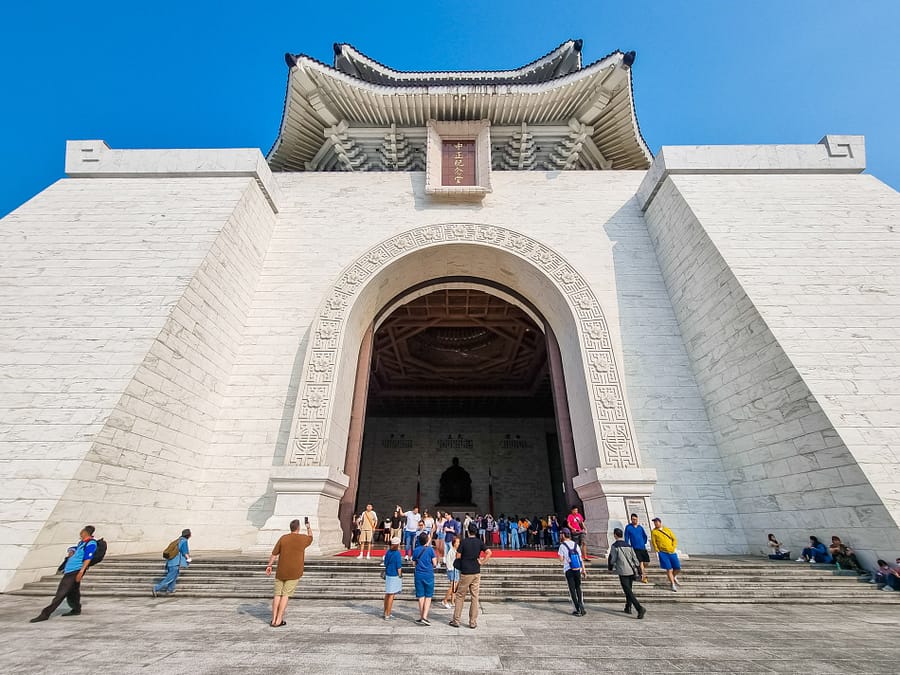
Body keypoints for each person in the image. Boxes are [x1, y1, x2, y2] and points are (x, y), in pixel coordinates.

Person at [30, 525, 98, 622]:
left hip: (75, 571)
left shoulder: (91, 543)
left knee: (61, 593)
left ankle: (45, 614)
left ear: (85, 532)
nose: (80, 533)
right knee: (73, 592)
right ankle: (76, 609)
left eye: (81, 531)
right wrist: (71, 550)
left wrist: (81, 572)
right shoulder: (82, 543)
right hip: (70, 570)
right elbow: (76, 549)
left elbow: (88, 558)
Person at [265, 518, 313, 627]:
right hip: (294, 572)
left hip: (281, 571)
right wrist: (308, 527)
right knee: (285, 595)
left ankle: (273, 620)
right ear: (298, 528)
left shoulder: (283, 538)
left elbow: (274, 554)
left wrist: (269, 565)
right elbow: (311, 538)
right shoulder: (302, 539)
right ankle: (279, 620)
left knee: (277, 595)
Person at [450, 523, 491, 629]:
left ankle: (456, 620)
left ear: (468, 531)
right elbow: (489, 552)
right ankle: (472, 622)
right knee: (474, 597)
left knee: (460, 596)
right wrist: (482, 562)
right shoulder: (479, 542)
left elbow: (458, 556)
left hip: (466, 572)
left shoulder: (464, 542)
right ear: (476, 532)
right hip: (476, 571)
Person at [608, 527, 646, 619]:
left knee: (628, 590)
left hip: (622, 570)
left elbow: (613, 559)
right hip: (631, 570)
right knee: (629, 589)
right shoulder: (628, 545)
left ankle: (639, 608)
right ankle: (628, 607)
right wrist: (639, 570)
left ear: (615, 535)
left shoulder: (615, 546)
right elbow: (635, 558)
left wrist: (610, 566)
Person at [152, 528, 192, 597]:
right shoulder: (184, 541)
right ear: (188, 535)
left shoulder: (178, 540)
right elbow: (185, 552)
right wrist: (188, 559)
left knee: (174, 576)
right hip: (175, 563)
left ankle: (170, 589)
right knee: (170, 577)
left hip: (170, 562)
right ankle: (156, 588)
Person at [558, 528, 586, 616]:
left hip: (569, 569)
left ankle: (577, 608)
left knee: (572, 589)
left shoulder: (562, 546)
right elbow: (580, 558)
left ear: (563, 535)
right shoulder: (575, 545)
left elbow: (561, 559)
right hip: (578, 569)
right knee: (578, 587)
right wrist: (584, 569)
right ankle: (581, 605)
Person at [412, 532, 437, 625]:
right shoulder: (430, 550)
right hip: (428, 574)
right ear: (427, 540)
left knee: (421, 596)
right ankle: (425, 617)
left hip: (418, 574)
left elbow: (413, 563)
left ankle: (422, 616)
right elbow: (434, 563)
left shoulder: (416, 550)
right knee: (428, 596)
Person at [650, 517, 680, 592]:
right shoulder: (654, 532)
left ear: (660, 522)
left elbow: (674, 539)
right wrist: (657, 551)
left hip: (671, 551)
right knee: (669, 569)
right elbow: (654, 542)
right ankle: (672, 584)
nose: (655, 523)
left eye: (656, 522)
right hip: (663, 552)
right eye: (654, 522)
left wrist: (673, 547)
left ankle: (674, 576)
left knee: (677, 568)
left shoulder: (667, 529)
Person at [624, 513, 651, 582]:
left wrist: (643, 542)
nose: (634, 520)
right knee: (640, 562)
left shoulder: (640, 527)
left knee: (646, 562)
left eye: (635, 519)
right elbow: (626, 537)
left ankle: (640, 571)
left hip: (642, 547)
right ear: (631, 519)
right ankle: (643, 576)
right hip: (635, 548)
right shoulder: (628, 527)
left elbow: (644, 536)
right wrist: (627, 546)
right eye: (633, 519)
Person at [382, 536, 403, 619]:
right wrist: (400, 575)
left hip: (388, 574)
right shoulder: (397, 553)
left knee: (387, 594)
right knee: (391, 595)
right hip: (394, 575)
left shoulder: (388, 552)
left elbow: (385, 562)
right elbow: (399, 566)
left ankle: (385, 611)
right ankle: (388, 613)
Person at [441, 535, 460, 609]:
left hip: (456, 569)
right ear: (454, 543)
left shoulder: (456, 551)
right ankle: (445, 600)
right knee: (453, 586)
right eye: (457, 542)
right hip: (452, 569)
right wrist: (450, 569)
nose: (458, 543)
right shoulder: (451, 551)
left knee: (455, 586)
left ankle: (452, 601)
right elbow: (448, 562)